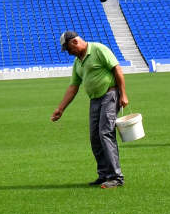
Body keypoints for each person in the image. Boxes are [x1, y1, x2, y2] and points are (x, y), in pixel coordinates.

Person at [51, 30, 129, 188]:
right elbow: (73, 87)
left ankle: (116, 177)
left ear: (75, 42)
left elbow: (117, 70)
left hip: (109, 94)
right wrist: (61, 109)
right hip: (94, 100)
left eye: (69, 49)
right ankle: (104, 174)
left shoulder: (98, 49)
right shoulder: (78, 62)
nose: (69, 53)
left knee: (105, 133)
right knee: (95, 137)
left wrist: (123, 94)